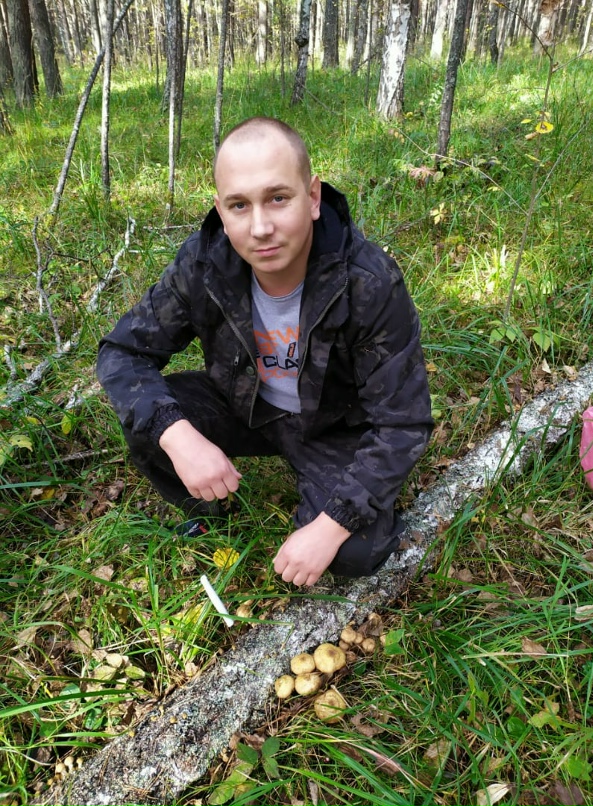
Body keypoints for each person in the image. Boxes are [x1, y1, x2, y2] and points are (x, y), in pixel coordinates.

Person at [97, 117, 433, 587]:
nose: (260, 227)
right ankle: (207, 510)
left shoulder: (368, 282)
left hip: (332, 428)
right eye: (239, 205)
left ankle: (321, 507)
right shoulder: (203, 264)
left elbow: (403, 423)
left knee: (354, 553)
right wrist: (178, 434)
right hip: (243, 404)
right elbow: (121, 353)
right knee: (152, 419)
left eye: (278, 198)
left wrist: (330, 525)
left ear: (313, 197)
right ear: (220, 209)